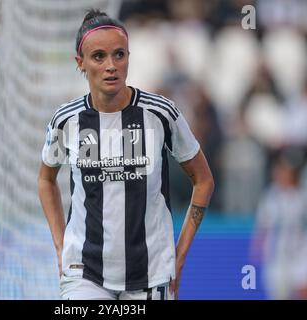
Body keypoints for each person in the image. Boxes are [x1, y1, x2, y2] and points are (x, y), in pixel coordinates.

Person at [38, 9, 214, 300]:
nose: (111, 66)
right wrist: (60, 245)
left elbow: (203, 180)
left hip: (151, 273)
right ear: (80, 63)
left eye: (119, 55)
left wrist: (180, 254)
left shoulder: (161, 114)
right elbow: (46, 179)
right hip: (85, 272)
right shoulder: (66, 120)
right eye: (99, 57)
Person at [251, 149, 307, 300]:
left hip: (303, 252)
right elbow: (263, 225)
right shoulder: (270, 196)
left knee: (305, 292)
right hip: (278, 257)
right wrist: (257, 246)